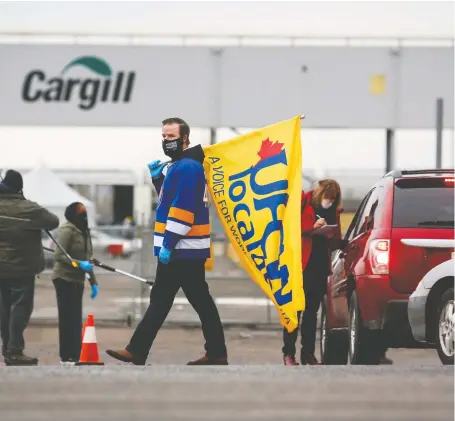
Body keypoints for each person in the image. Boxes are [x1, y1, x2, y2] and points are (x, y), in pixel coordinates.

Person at [106, 117, 228, 365]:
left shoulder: (186, 168)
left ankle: (137, 350)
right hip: (186, 250)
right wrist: (157, 180)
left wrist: (169, 245)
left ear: (185, 139)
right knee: (193, 302)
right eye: (163, 136)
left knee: (163, 301)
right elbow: (169, 199)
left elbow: (182, 211)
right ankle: (216, 352)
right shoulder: (182, 166)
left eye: (171, 137)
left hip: (181, 249)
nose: (166, 141)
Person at [0, 169, 59, 365]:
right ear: (19, 187)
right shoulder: (28, 208)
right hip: (21, 267)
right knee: (20, 308)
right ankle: (15, 350)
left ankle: (7, 347)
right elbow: (53, 221)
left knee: (4, 309)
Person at [282, 179, 345, 366]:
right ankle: (289, 354)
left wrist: (335, 238)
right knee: (295, 311)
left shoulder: (334, 211)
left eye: (333, 198)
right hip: (301, 265)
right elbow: (291, 227)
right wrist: (313, 229)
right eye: (327, 197)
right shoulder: (303, 202)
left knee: (312, 313)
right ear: (320, 193)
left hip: (319, 266)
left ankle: (307, 354)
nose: (329, 201)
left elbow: (336, 239)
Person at [52, 202, 99, 365]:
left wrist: (93, 281)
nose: (84, 214)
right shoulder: (67, 230)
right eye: (81, 211)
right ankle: (66, 355)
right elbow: (59, 255)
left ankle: (76, 353)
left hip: (77, 281)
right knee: (67, 318)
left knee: (75, 318)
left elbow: (89, 258)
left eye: (85, 211)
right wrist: (78, 265)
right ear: (72, 214)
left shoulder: (85, 232)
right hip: (64, 279)